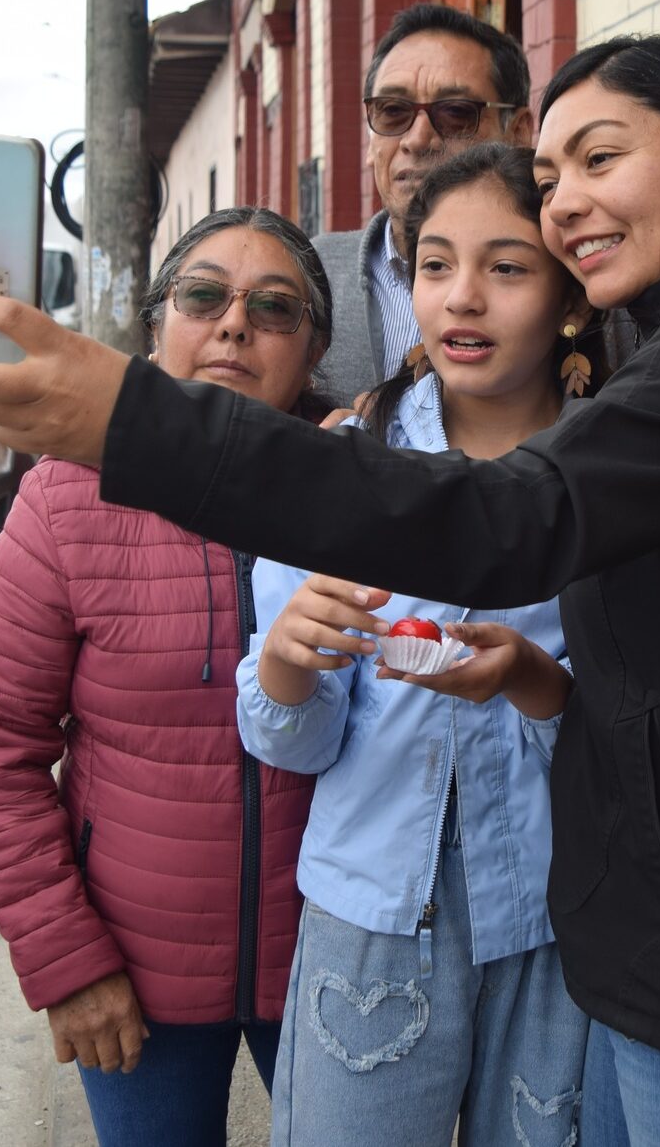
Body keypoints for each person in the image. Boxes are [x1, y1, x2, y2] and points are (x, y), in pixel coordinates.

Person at [0, 35, 660, 1146]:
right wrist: (313, 666)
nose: (568, 208)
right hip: (621, 958)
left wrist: (140, 423)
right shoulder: (654, 370)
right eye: (551, 181)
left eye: (600, 162)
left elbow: (508, 523)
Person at [0, 208, 332, 1147]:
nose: (234, 323)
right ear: (159, 321)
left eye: (274, 308)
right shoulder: (69, 495)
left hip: (339, 966)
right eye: (204, 295)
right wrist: (66, 961)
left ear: (313, 346)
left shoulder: (367, 480)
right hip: (136, 972)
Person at [240, 143, 593, 1145]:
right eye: (435, 266)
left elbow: (641, 736)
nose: (463, 299)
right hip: (376, 918)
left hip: (555, 917)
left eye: (508, 267)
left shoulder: (613, 477)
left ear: (571, 299)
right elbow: (295, 746)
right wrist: (288, 665)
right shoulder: (345, 468)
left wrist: (535, 685)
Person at [319, 1, 534, 406]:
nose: (417, 140)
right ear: (370, 141)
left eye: (455, 113)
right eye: (392, 111)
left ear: (519, 132)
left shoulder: (574, 278)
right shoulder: (310, 275)